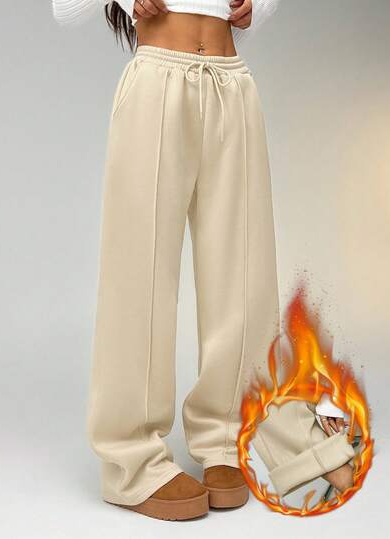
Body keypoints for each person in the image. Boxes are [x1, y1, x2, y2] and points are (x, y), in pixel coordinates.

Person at [52, 0, 355, 520]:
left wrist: (260, 6)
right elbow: (64, 8)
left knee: (244, 274)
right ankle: (131, 461)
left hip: (231, 82)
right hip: (156, 81)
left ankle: (225, 438)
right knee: (138, 277)